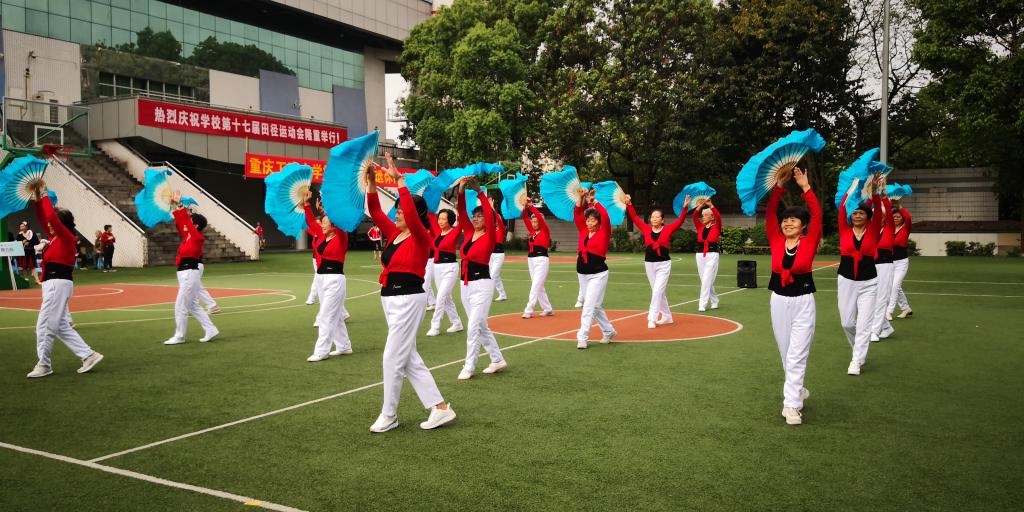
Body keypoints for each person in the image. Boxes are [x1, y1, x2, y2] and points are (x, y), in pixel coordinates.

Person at [365, 152, 455, 433]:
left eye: (402, 210)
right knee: (407, 357)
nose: (397, 213)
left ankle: (389, 414)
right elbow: (376, 212)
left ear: (415, 215)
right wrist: (372, 183)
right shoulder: (395, 233)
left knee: (392, 357)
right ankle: (440, 407)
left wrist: (400, 181)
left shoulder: (421, 236)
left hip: (408, 298)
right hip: (390, 297)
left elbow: (413, 217)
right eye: (397, 210)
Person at [25, 182, 104, 378]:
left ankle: (44, 364)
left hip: (57, 283)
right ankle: (89, 355)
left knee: (44, 325)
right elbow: (45, 218)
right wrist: (37, 199)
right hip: (54, 283)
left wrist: (44, 194)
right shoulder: (56, 237)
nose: (49, 225)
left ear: (61, 224)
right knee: (59, 326)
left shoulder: (66, 237)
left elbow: (50, 217)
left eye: (53, 223)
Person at [766, 167, 821, 425]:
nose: (788, 223)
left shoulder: (809, 241)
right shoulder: (776, 239)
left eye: (794, 220)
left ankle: (791, 405)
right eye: (785, 220)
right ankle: (797, 389)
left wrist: (805, 187)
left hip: (803, 301)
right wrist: (779, 187)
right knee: (785, 352)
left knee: (797, 354)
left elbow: (817, 214)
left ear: (804, 226)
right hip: (778, 300)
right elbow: (770, 213)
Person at [455, 177, 508, 380]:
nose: (476, 218)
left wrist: (480, 192)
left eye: (480, 216)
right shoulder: (469, 232)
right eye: (474, 216)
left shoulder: (490, 235)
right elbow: (461, 212)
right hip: (465, 284)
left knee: (473, 327)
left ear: (488, 219)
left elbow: (488, 212)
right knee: (480, 326)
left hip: (482, 285)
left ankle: (469, 366)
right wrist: (461, 190)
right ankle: (497, 359)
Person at [837, 176, 883, 376]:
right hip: (846, 281)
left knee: (864, 324)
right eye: (854, 213)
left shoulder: (873, 231)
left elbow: (879, 211)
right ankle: (858, 348)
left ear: (867, 217)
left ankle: (856, 360)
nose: (857, 215)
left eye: (861, 213)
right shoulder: (844, 230)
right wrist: (850, 189)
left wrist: (875, 192)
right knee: (847, 322)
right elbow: (841, 209)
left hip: (869, 282)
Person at [302, 193, 352, 361]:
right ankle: (344, 346)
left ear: (333, 224)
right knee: (334, 315)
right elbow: (310, 222)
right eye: (322, 222)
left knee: (326, 316)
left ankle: (321, 351)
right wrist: (307, 204)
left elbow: (338, 222)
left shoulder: (342, 237)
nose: (322, 225)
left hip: (335, 280)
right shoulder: (322, 235)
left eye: (325, 222)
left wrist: (328, 209)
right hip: (321, 278)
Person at [163, 194, 219, 345]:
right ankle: (211, 329)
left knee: (180, 306)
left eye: (191, 220)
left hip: (189, 272)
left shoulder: (196, 237)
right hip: (184, 273)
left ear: (196, 226)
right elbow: (180, 222)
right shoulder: (188, 236)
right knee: (192, 305)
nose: (188, 221)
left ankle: (179, 336)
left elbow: (185, 221)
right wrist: (174, 205)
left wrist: (180, 205)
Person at [626, 195, 688, 328]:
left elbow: (681, 220)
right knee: (658, 291)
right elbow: (635, 217)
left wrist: (685, 208)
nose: (654, 219)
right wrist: (629, 204)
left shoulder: (668, 229)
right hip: (649, 264)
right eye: (652, 217)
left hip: (663, 264)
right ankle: (667, 316)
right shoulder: (646, 228)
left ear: (662, 220)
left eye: (657, 217)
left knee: (657, 291)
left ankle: (652, 318)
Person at [574, 188, 616, 349]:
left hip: (598, 274)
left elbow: (605, 216)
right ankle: (609, 331)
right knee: (595, 306)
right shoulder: (583, 230)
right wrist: (581, 198)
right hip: (582, 274)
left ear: (598, 222)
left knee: (588, 306)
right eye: (588, 220)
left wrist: (594, 201)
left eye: (592, 220)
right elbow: (577, 212)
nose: (589, 223)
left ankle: (582, 337)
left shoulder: (604, 231)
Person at [426, 209, 464, 336]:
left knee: (441, 296)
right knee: (446, 298)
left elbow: (463, 219)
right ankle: (457, 323)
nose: (440, 221)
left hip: (450, 268)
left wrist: (460, 205)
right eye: (439, 218)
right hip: (437, 267)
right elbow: (430, 214)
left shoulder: (455, 231)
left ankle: (435, 326)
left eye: (444, 219)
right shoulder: (437, 231)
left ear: (450, 220)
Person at [871, 188, 897, 341]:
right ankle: (886, 327)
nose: (879, 217)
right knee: (872, 299)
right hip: (871, 266)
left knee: (881, 298)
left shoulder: (889, 227)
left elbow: (887, 210)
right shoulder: (871, 230)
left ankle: (875, 331)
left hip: (885, 265)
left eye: (881, 215)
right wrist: (872, 193)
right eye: (876, 215)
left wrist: (885, 197)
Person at [521, 201, 554, 318]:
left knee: (535, 286)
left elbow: (539, 217)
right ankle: (548, 309)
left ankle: (528, 310)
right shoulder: (532, 231)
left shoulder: (545, 231)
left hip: (541, 260)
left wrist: (532, 207)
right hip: (531, 259)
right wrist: (525, 208)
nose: (534, 223)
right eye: (533, 221)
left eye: (536, 221)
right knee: (538, 286)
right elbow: (524, 217)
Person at [694, 200, 723, 312]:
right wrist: (699, 207)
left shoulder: (716, 226)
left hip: (712, 254)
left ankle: (702, 304)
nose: (703, 217)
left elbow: (718, 216)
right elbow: (694, 216)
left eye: (706, 215)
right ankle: (715, 300)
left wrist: (711, 205)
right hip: (700, 255)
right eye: (703, 215)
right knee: (705, 280)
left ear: (712, 217)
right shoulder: (700, 227)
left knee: (706, 279)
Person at [888, 201, 913, 319]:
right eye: (894, 216)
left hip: (901, 263)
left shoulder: (905, 228)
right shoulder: (889, 228)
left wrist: (899, 206)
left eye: (898, 216)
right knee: (894, 287)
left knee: (894, 287)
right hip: (889, 262)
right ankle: (906, 308)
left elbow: (908, 217)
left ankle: (889, 311)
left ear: (902, 218)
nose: (896, 218)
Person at [489, 198, 508, 302]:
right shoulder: (490, 228)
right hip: (490, 254)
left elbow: (498, 218)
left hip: (499, 254)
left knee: (493, 275)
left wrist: (493, 208)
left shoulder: (501, 228)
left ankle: (488, 295)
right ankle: (502, 294)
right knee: (495, 276)